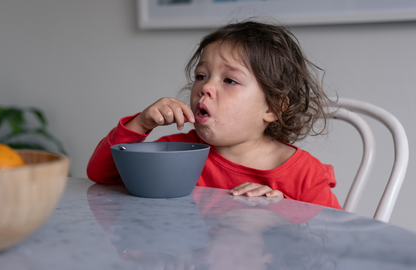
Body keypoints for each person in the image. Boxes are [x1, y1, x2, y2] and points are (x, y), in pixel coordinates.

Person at [87, 19, 342, 210]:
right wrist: (140, 123)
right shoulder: (176, 152)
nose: (205, 87)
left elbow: (331, 237)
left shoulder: (306, 175)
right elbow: (102, 176)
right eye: (201, 76)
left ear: (272, 107)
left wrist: (284, 210)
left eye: (229, 80)